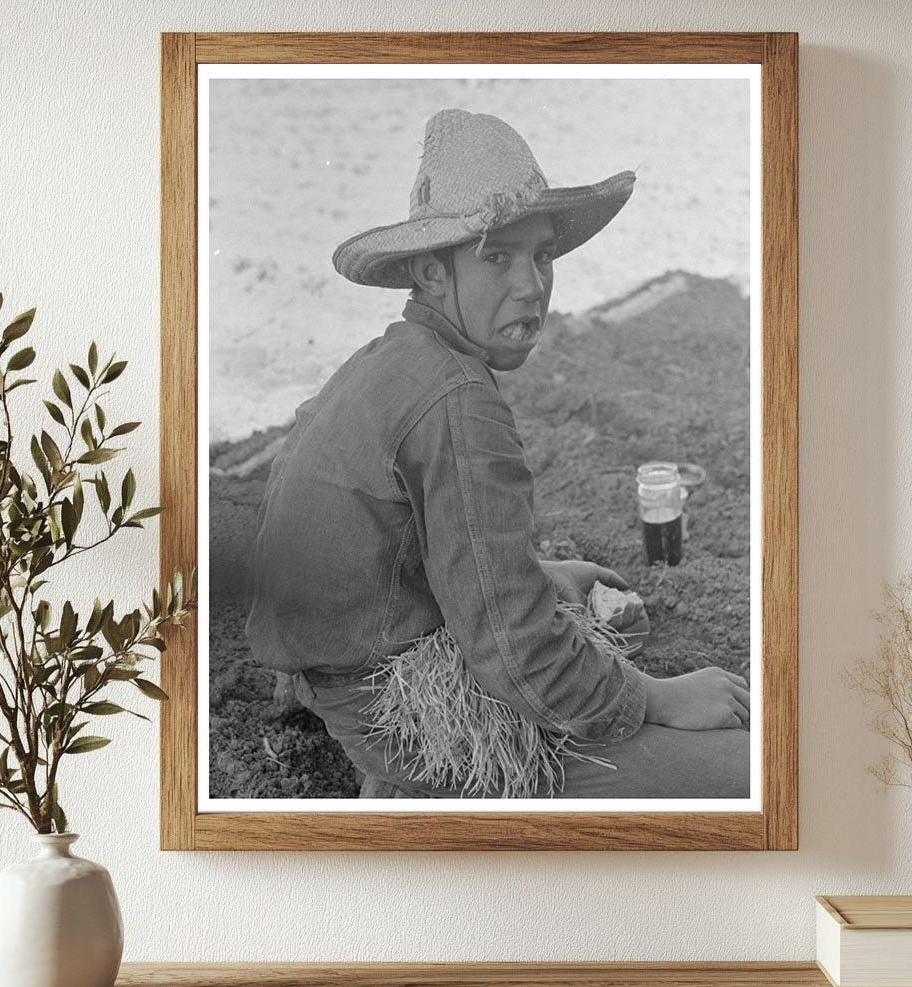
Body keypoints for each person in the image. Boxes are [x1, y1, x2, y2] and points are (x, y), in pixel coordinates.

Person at [246, 108, 750, 799]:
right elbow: (517, 655)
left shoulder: (391, 362)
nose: (531, 286)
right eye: (497, 257)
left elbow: (405, 554)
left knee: (592, 604)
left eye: (541, 255)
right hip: (400, 715)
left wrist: (548, 577)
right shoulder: (459, 401)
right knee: (746, 770)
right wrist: (657, 699)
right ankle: (421, 792)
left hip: (346, 666)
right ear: (430, 272)